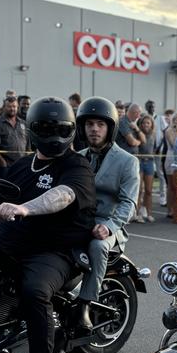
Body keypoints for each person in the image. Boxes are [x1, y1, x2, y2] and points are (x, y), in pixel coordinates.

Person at [0, 97, 96, 353]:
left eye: (60, 128)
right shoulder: (21, 167)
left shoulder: (75, 165)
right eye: (45, 128)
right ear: (32, 130)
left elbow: (61, 196)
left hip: (55, 250)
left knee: (34, 291)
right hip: (14, 244)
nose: (53, 134)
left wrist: (25, 208)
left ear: (70, 131)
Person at [75, 97, 139, 329]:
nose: (94, 129)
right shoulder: (77, 157)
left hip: (108, 226)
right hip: (79, 222)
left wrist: (110, 226)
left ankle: (85, 305)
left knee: (97, 246)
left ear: (110, 127)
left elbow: (129, 203)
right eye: (89, 124)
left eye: (100, 124)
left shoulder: (127, 161)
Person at [0, 94, 27, 170]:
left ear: (17, 107)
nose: (12, 109)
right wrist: (2, 161)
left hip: (22, 164)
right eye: (9, 106)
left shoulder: (23, 123)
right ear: (4, 107)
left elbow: (28, 144)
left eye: (14, 106)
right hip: (6, 165)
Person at [133, 113, 157, 222]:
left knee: (148, 190)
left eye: (148, 123)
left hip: (149, 163)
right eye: (143, 123)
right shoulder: (137, 133)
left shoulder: (154, 135)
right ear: (140, 124)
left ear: (152, 124)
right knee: (139, 190)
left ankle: (149, 213)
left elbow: (155, 149)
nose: (146, 125)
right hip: (139, 162)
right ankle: (137, 214)